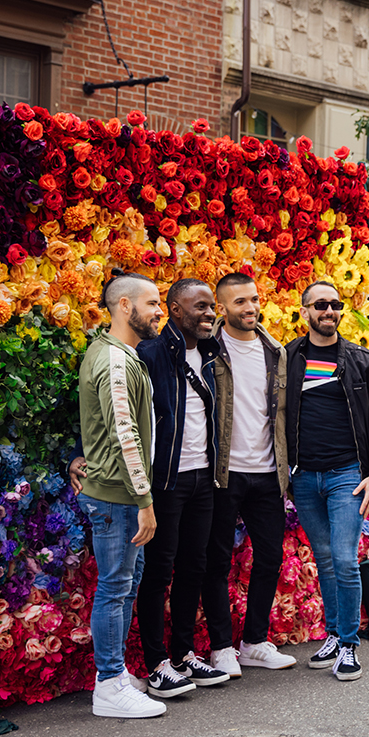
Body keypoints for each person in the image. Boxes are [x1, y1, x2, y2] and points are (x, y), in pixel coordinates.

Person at [285, 280, 369, 681]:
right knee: (326, 558)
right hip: (304, 477)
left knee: (345, 558)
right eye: (321, 305)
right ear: (305, 311)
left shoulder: (363, 361)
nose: (329, 311)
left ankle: (348, 644)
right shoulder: (288, 358)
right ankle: (332, 634)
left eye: (335, 304)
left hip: (347, 475)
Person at [74, 270, 166, 718]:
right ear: (125, 306)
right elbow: (124, 435)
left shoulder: (122, 355)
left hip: (120, 494)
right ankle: (110, 685)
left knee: (124, 586)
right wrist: (144, 501)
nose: (159, 310)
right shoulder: (113, 359)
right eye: (152, 303)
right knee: (114, 588)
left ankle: (113, 675)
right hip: (118, 498)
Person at [133, 278, 230, 697]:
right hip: (166, 480)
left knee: (195, 567)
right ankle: (156, 665)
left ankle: (183, 654)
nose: (210, 313)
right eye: (201, 307)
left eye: (212, 307)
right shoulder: (150, 353)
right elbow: (126, 411)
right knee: (158, 572)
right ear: (175, 309)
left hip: (202, 477)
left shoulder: (211, 353)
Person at [206, 272, 296, 676]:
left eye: (254, 299)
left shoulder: (275, 350)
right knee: (217, 560)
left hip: (266, 472)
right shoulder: (208, 350)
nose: (250, 308)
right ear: (222, 307)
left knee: (270, 557)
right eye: (239, 302)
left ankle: (255, 641)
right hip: (223, 473)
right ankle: (221, 647)